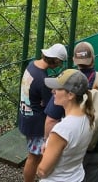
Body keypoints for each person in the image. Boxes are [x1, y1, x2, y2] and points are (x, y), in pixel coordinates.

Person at [44, 41, 98, 182]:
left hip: (72, 147)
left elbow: (51, 120)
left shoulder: (66, 83)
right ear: (93, 58)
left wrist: (48, 144)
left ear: (74, 60)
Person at [18, 43, 67, 182]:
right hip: (36, 124)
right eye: (59, 62)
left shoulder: (32, 65)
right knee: (34, 157)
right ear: (56, 60)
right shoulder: (43, 80)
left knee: (35, 155)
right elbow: (50, 103)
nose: (58, 66)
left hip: (25, 117)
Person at [37, 69, 94, 181]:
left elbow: (43, 171)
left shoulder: (62, 130)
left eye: (58, 88)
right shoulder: (88, 117)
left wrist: (38, 168)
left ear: (70, 95)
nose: (53, 91)